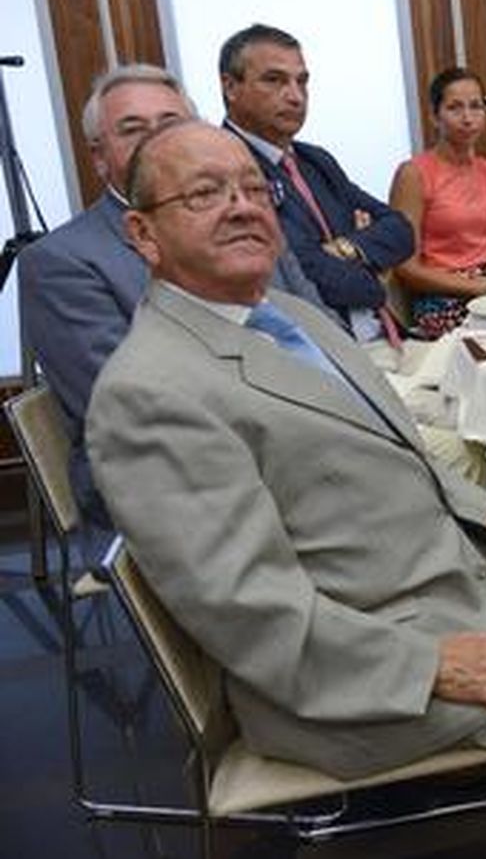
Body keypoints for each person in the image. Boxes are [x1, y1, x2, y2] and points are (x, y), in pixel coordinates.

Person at [86, 119, 486, 859]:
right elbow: (248, 608)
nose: (243, 205)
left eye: (253, 187)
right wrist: (431, 663)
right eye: (206, 193)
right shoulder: (151, 389)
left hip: (422, 572)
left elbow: (401, 452)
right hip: (342, 660)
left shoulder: (290, 316)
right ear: (142, 232)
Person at [17, 64, 320, 525]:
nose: (156, 142)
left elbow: (321, 328)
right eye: (133, 129)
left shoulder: (245, 218)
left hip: (301, 429)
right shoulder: (62, 262)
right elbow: (138, 410)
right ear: (99, 157)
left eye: (172, 126)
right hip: (176, 477)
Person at [220, 23, 415, 356]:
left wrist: (344, 249)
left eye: (302, 81)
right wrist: (375, 277)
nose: (295, 96)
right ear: (230, 87)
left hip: (386, 336)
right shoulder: (226, 168)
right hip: (322, 355)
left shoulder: (315, 160)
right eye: (274, 80)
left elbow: (400, 230)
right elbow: (306, 273)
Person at [389, 67, 486, 339]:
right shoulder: (414, 173)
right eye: (455, 108)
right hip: (442, 297)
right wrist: (473, 287)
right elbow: (405, 267)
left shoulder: (485, 168)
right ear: (435, 115)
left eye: (476, 106)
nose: (468, 118)